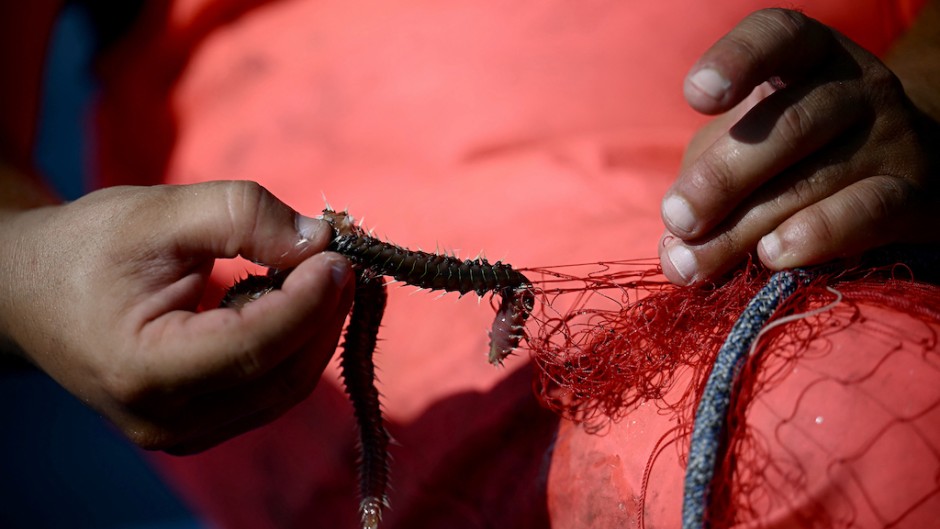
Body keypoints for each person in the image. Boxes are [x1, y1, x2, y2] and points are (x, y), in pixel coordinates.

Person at [1, 1, 938, 527]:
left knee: (849, 421)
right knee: (813, 431)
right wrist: (26, 269)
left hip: (856, 195)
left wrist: (926, 101)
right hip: (424, 413)